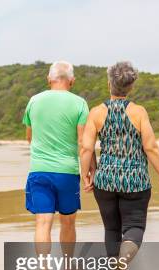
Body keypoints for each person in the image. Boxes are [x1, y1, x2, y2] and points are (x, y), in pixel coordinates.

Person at [79, 61, 159, 270]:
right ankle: (123, 263)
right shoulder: (139, 112)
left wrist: (85, 174)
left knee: (111, 229)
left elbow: (86, 148)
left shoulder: (96, 113)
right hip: (136, 181)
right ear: (131, 86)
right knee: (134, 226)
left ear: (109, 83)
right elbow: (151, 147)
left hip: (105, 180)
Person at [23, 61, 93, 247]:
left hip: (39, 171)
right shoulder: (79, 103)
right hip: (67, 172)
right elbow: (83, 143)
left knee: (43, 223)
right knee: (68, 222)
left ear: (49, 79)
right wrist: (88, 172)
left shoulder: (34, 101)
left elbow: (29, 137)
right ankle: (68, 269)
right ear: (72, 80)